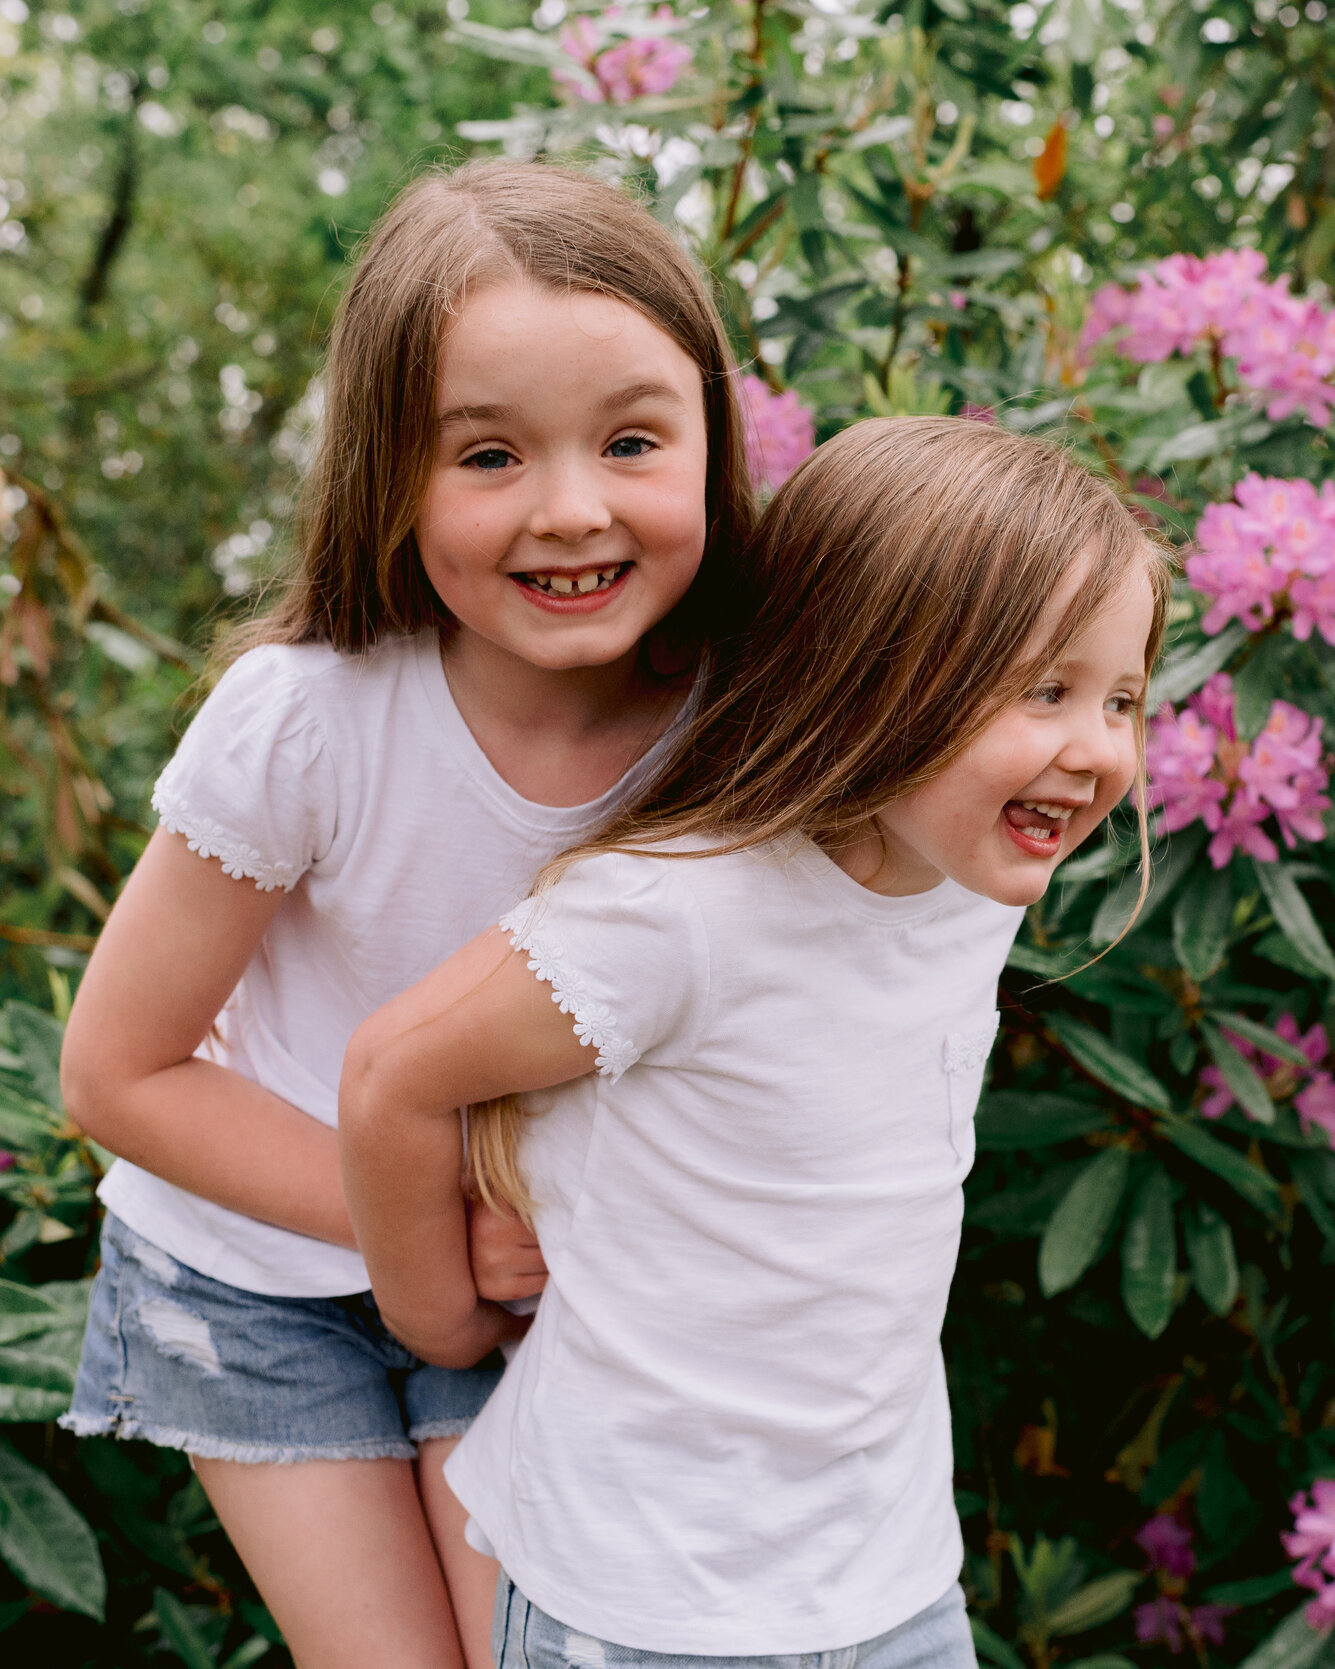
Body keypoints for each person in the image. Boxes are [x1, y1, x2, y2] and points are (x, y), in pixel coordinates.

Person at [57, 159, 757, 1669]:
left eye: (633, 439)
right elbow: (118, 1072)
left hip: (526, 1276)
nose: (572, 510)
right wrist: (425, 1222)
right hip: (251, 1273)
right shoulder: (308, 722)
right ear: (386, 472)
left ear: (715, 442)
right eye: (488, 456)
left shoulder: (744, 728)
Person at [335, 417, 1168, 1668]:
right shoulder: (679, 913)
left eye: (1121, 699)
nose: (1098, 749)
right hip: (637, 1604)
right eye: (1043, 690)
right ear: (868, 669)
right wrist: (443, 1323)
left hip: (887, 1584)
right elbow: (391, 1075)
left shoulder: (970, 886)